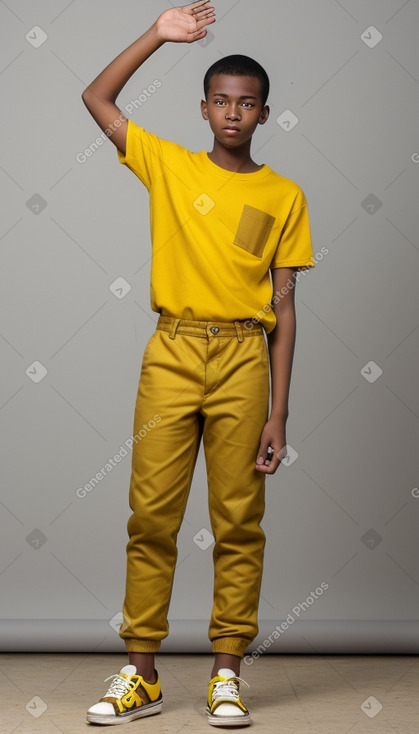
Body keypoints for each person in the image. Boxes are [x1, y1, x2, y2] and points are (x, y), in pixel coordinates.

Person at [82, 0, 315, 727]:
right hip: (173, 353)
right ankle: (141, 673)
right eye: (220, 101)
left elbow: (284, 308)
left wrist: (278, 410)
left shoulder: (283, 196)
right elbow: (96, 97)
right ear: (203, 108)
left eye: (246, 104)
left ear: (264, 114)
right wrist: (157, 33)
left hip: (245, 359)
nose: (232, 114)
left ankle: (226, 673)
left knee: (238, 520)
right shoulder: (170, 167)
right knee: (150, 515)